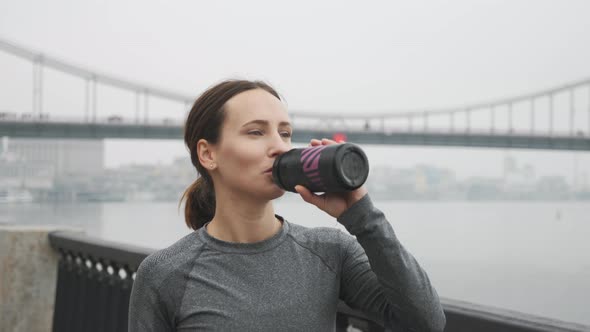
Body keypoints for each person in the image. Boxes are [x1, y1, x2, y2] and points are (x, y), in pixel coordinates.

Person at [128, 79, 446, 331]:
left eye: (285, 133)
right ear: (208, 154)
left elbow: (425, 323)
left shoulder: (331, 251)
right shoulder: (165, 274)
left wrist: (361, 214)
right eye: (256, 132)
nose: (279, 147)